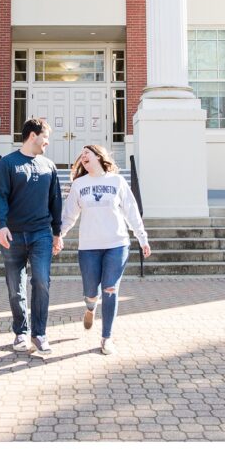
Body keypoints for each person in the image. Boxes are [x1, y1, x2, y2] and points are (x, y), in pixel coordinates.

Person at [55, 144, 151, 355]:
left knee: (110, 289)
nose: (83, 156)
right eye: (81, 155)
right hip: (89, 247)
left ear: (99, 156)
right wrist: (59, 235)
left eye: (87, 153)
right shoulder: (79, 184)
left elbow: (131, 211)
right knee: (91, 291)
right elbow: (69, 215)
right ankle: (90, 307)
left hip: (116, 245)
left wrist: (142, 238)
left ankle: (107, 337)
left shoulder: (116, 181)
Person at [0, 118, 62, 354]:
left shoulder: (49, 166)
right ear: (33, 135)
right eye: (45, 137)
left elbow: (55, 201)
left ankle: (39, 334)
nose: (47, 143)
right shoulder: (8, 164)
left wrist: (57, 233)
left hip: (41, 233)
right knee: (15, 287)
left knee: (41, 281)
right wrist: (0, 225)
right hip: (13, 235)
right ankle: (21, 332)